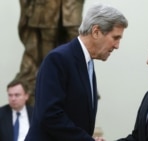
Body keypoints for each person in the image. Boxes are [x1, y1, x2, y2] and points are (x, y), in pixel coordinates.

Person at [24, 3, 128, 141]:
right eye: (115, 38)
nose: (117, 46)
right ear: (96, 31)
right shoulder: (58, 59)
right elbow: (50, 115)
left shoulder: (87, 63)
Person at [15, 0, 85, 105]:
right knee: (48, 37)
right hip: (46, 7)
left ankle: (77, 80)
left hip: (72, 5)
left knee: (75, 37)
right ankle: (48, 81)